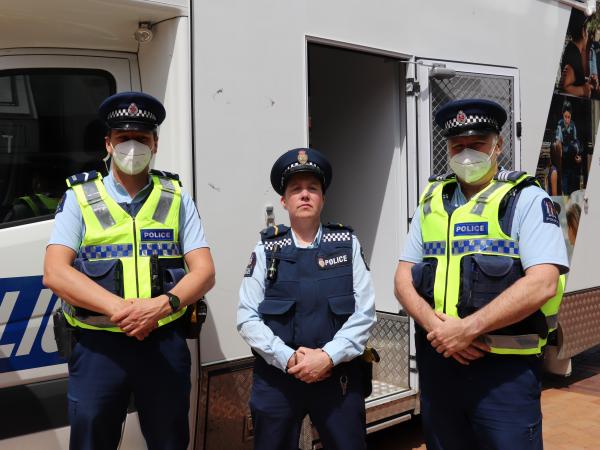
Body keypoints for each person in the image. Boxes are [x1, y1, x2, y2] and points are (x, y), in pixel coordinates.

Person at [43, 91, 215, 450]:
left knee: (169, 440)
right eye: (123, 139)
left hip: (163, 344)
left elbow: (204, 272)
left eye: (142, 138)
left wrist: (159, 307)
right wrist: (125, 311)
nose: (132, 147)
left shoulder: (176, 197)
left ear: (155, 144)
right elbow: (55, 273)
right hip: (98, 347)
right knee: (92, 440)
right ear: (108, 144)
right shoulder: (79, 196)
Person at [394, 99, 569, 450]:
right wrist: (439, 329)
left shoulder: (526, 199)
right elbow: (402, 278)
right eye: (458, 146)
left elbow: (543, 282)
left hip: (503, 374)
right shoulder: (432, 200)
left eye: (477, 145)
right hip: (440, 366)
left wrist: (467, 330)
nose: (466, 154)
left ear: (498, 145)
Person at [237, 148, 376, 450]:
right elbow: (247, 317)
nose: (304, 195)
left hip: (337, 375)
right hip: (278, 379)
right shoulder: (265, 250)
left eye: (312, 188)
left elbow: (364, 313)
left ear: (323, 198)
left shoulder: (347, 245)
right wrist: (288, 359)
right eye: (296, 190)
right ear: (284, 201)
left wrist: (327, 357)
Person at [561, 10, 592, 98]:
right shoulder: (573, 54)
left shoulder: (573, 50)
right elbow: (566, 87)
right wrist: (583, 90)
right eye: (588, 31)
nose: (588, 34)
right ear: (583, 32)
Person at [555, 101, 582, 195]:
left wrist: (578, 155)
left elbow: (576, 141)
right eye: (565, 117)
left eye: (569, 117)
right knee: (565, 189)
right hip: (565, 162)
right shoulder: (560, 125)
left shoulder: (573, 125)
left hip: (573, 161)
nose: (567, 119)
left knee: (574, 188)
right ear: (563, 115)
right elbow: (558, 142)